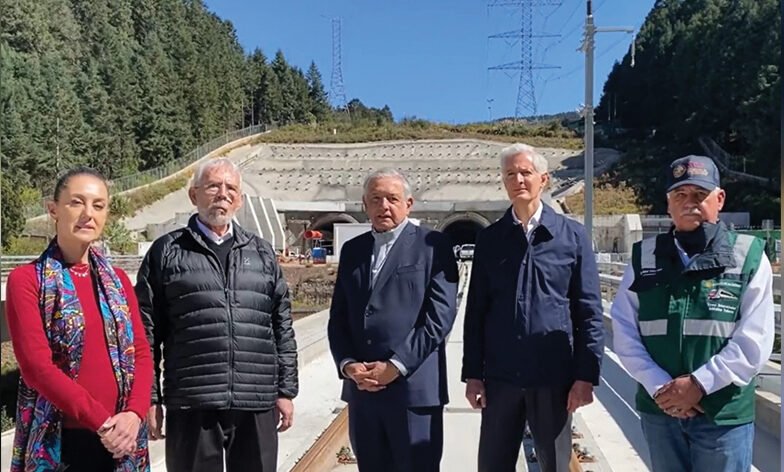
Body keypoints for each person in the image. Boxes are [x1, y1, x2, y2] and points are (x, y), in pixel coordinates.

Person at [611, 155, 774, 472]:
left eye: (700, 195)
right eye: (680, 195)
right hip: (661, 411)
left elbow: (755, 339)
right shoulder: (644, 257)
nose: (690, 203)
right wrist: (661, 387)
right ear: (668, 203)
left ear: (720, 199)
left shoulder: (748, 256)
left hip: (722, 413)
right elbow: (624, 329)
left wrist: (698, 385)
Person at [136, 158, 298, 472]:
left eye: (231, 188)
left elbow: (282, 326)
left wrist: (285, 390)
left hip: (256, 399)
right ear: (194, 195)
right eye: (213, 186)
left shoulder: (262, 253)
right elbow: (146, 331)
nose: (222, 194)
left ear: (239, 200)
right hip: (193, 399)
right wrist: (150, 397)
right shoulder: (166, 252)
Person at [462, 143, 604, 472]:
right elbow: (476, 313)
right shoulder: (491, 239)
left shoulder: (571, 236)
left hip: (553, 377)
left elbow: (589, 312)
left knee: (555, 464)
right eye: (510, 174)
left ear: (544, 179)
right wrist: (473, 374)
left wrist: (585, 375)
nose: (518, 180)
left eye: (525, 172)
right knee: (493, 465)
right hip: (501, 378)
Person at [6, 167, 152, 471]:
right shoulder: (27, 281)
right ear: (53, 209)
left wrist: (135, 413)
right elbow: (37, 368)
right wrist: (101, 422)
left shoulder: (119, 281)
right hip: (63, 442)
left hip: (123, 439)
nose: (88, 213)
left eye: (98, 205)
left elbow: (140, 352)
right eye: (76, 202)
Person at [327, 168, 459, 472]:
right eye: (376, 199)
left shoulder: (433, 246)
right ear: (365, 204)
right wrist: (347, 364)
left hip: (413, 392)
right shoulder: (353, 251)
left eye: (392, 198)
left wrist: (396, 366)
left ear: (408, 203)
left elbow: (439, 318)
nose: (383, 206)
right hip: (364, 392)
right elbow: (339, 318)